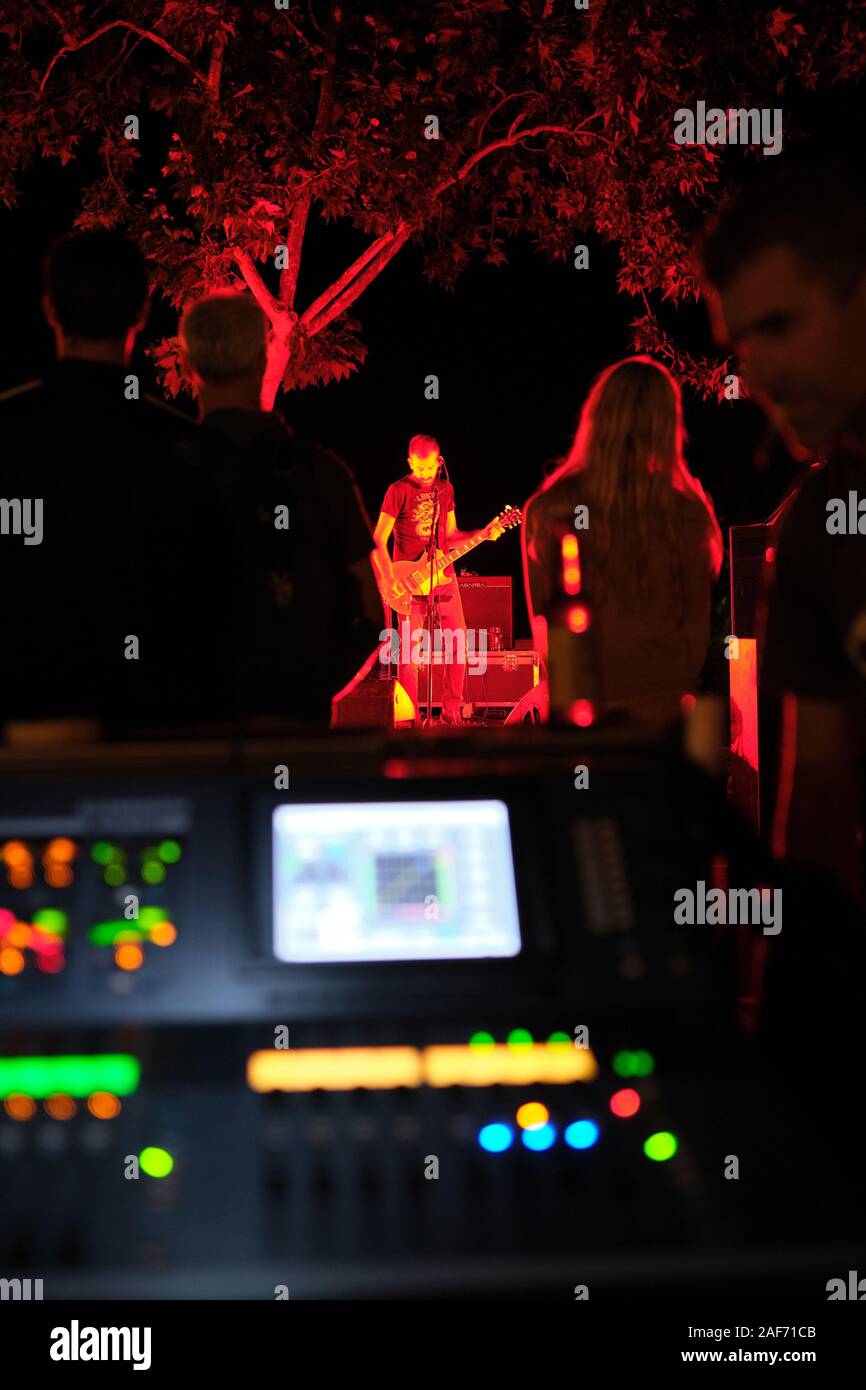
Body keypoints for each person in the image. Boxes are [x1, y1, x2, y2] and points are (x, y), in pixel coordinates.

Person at [700, 160, 866, 907]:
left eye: (778, 325)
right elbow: (816, 802)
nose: (758, 370)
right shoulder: (814, 523)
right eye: (741, 347)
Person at [0, 229, 232, 734]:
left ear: (50, 310)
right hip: (157, 737)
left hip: (21, 738)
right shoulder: (187, 451)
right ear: (142, 313)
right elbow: (217, 614)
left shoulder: (10, 431)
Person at [179, 290, 382, 724]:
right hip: (298, 731)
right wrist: (310, 685)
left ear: (188, 366)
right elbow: (370, 609)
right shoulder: (321, 473)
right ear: (262, 359)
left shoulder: (168, 470)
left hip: (192, 738)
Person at [522, 356, 723, 728]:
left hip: (583, 713)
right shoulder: (688, 513)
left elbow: (542, 625)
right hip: (665, 716)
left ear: (596, 417)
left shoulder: (549, 509)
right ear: (667, 425)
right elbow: (696, 631)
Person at [372, 435, 503, 725]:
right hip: (407, 579)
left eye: (429, 468)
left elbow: (453, 536)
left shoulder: (446, 489)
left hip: (443, 576)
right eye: (418, 468)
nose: (424, 473)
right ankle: (409, 719)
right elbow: (378, 540)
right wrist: (389, 577)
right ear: (409, 463)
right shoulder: (398, 490)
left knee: (459, 643)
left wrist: (483, 533)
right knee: (409, 651)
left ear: (439, 461)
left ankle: (451, 713)